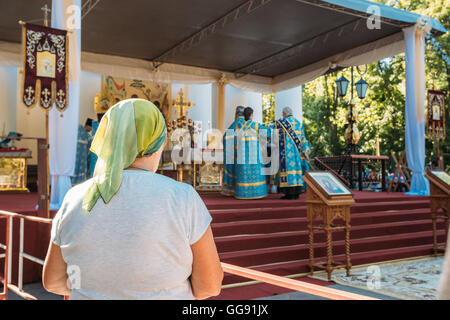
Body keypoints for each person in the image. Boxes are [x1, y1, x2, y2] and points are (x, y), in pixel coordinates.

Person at [42, 99, 223, 300]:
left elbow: (53, 281)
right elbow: (210, 285)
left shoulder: (74, 197)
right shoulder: (183, 197)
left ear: (107, 139)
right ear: (158, 142)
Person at [272, 107, 311, 200]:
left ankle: (288, 194)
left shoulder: (281, 123)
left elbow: (275, 137)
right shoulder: (299, 123)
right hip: (297, 155)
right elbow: (303, 139)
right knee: (296, 172)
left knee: (288, 172)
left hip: (286, 154)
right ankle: (296, 193)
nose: (282, 116)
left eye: (282, 114)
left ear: (285, 113)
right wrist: (306, 152)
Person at [234, 107, 271, 200]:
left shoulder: (238, 125)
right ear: (251, 115)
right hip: (254, 152)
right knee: (255, 171)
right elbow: (268, 132)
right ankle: (256, 193)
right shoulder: (256, 125)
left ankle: (243, 193)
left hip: (242, 153)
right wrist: (271, 126)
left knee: (244, 171)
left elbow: (235, 139)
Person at [221, 106, 245, 196]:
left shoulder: (234, 124)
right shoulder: (247, 124)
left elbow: (225, 137)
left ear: (236, 114)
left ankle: (231, 190)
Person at [71, 118, 93, 185]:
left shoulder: (76, 130)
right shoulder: (86, 135)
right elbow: (92, 143)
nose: (91, 130)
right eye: (91, 128)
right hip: (82, 160)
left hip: (73, 158)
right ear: (88, 126)